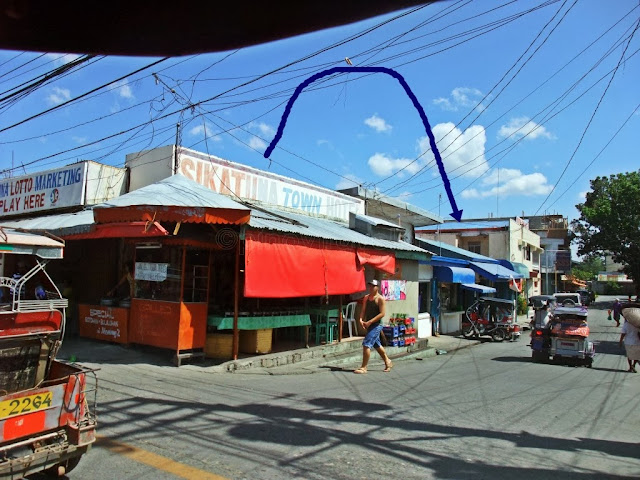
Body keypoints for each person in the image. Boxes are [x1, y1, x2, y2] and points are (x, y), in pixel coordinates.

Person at [354, 279, 393, 374]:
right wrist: (360, 319)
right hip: (369, 324)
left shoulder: (380, 299)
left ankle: (364, 367)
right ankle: (388, 361)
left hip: (376, 325)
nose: (371, 288)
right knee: (377, 345)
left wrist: (370, 322)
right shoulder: (366, 298)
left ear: (377, 287)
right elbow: (363, 310)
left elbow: (382, 313)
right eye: (370, 286)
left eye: (373, 286)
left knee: (366, 344)